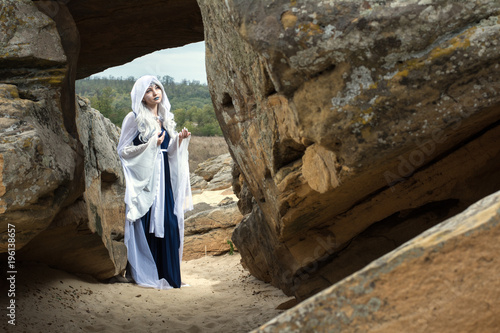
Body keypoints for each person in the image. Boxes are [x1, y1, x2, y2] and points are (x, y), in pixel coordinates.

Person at [117, 75, 193, 289]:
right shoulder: (133, 118)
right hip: (146, 179)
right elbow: (123, 150)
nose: (154, 92)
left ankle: (169, 275)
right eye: (149, 90)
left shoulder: (165, 118)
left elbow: (167, 152)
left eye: (157, 88)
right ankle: (147, 273)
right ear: (141, 96)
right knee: (147, 223)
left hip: (164, 178)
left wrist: (179, 140)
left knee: (169, 223)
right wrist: (150, 144)